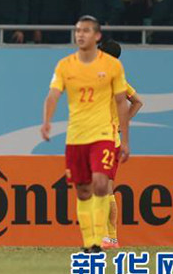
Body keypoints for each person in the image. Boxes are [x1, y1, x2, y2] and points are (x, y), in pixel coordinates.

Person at [41, 16, 131, 253]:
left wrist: (124, 133)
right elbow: (53, 94)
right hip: (77, 135)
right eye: (78, 31)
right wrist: (47, 121)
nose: (81, 35)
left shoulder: (113, 69)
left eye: (86, 31)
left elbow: (125, 101)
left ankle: (107, 237)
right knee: (83, 189)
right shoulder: (65, 65)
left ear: (97, 37)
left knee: (103, 184)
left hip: (105, 135)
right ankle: (92, 241)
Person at [97, 40, 143, 249]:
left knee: (105, 188)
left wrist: (122, 125)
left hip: (108, 141)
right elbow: (137, 101)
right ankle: (107, 237)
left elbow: (138, 101)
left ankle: (111, 237)